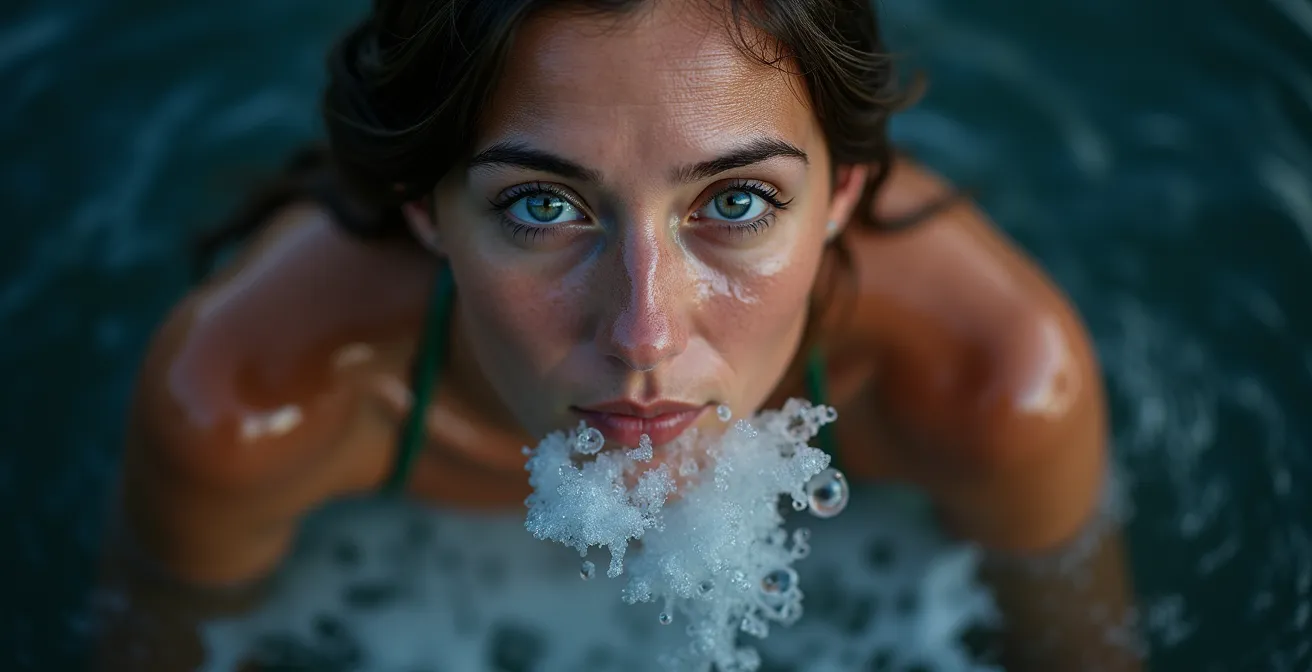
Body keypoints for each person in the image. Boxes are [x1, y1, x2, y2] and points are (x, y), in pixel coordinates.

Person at [99, 0, 1140, 669]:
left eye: (734, 203)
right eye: (543, 208)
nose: (644, 330)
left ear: (841, 195)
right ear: (425, 212)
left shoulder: (992, 386)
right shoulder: (252, 404)